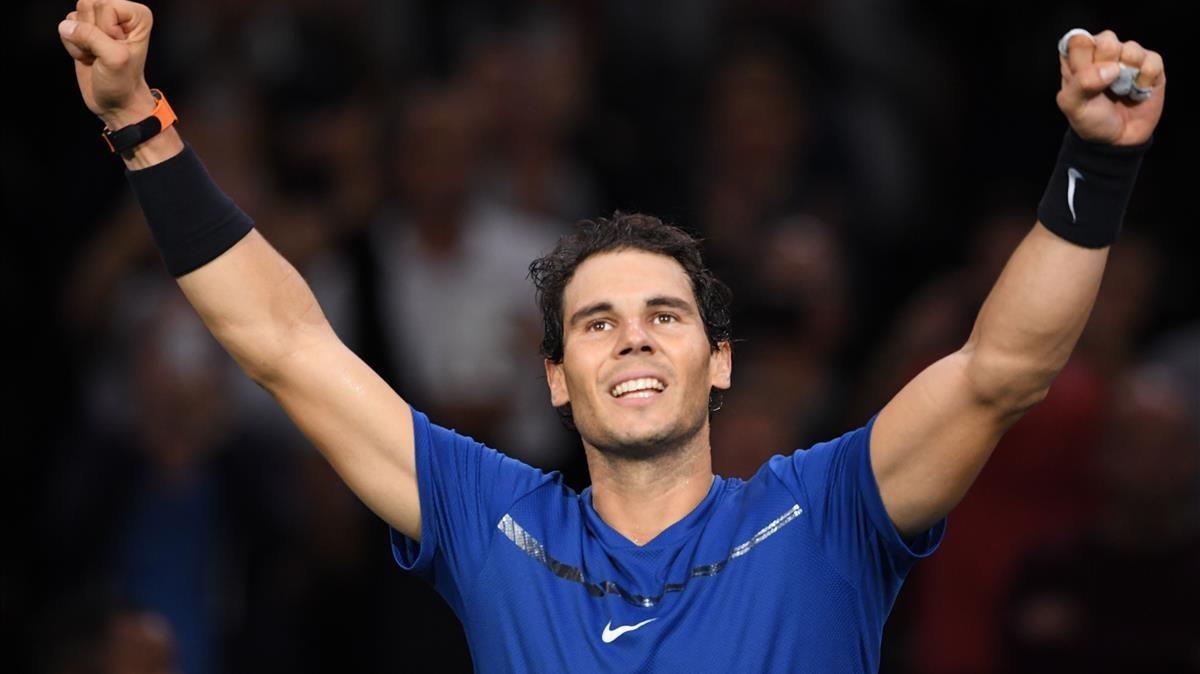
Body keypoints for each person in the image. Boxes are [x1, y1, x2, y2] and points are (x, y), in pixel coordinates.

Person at [56, 2, 1166, 671]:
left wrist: (1099, 163)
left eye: (664, 316)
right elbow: (286, 342)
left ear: (719, 361)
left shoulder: (828, 510)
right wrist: (137, 124)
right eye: (596, 322)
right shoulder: (490, 518)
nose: (632, 340)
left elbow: (1001, 370)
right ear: (555, 375)